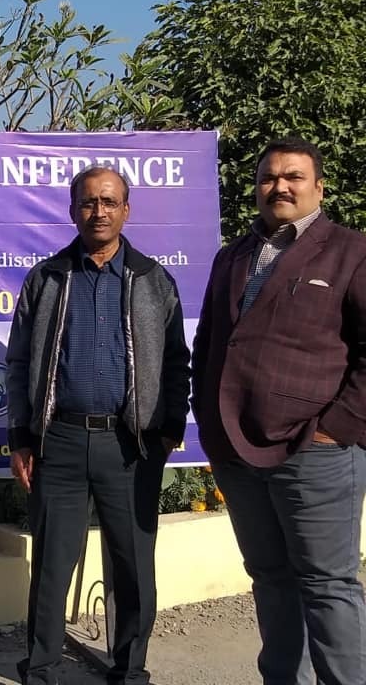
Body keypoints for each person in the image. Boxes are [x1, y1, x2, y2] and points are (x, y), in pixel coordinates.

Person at [6, 166, 191, 685]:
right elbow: (18, 363)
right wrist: (21, 436)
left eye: (109, 202)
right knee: (51, 568)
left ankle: (129, 672)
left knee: (133, 568)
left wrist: (169, 427)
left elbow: (176, 362)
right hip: (59, 442)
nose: (99, 212)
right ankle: (41, 672)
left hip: (130, 446)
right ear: (72, 211)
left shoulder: (153, 280)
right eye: (88, 202)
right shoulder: (47, 278)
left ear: (126, 210)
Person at [191, 137, 366, 684]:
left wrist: (335, 429)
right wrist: (209, 421)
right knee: (269, 578)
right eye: (269, 177)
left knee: (327, 585)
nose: (280, 187)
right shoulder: (233, 256)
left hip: (315, 452)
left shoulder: (352, 252)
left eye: (294, 176)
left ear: (319, 187)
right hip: (237, 451)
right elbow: (210, 342)